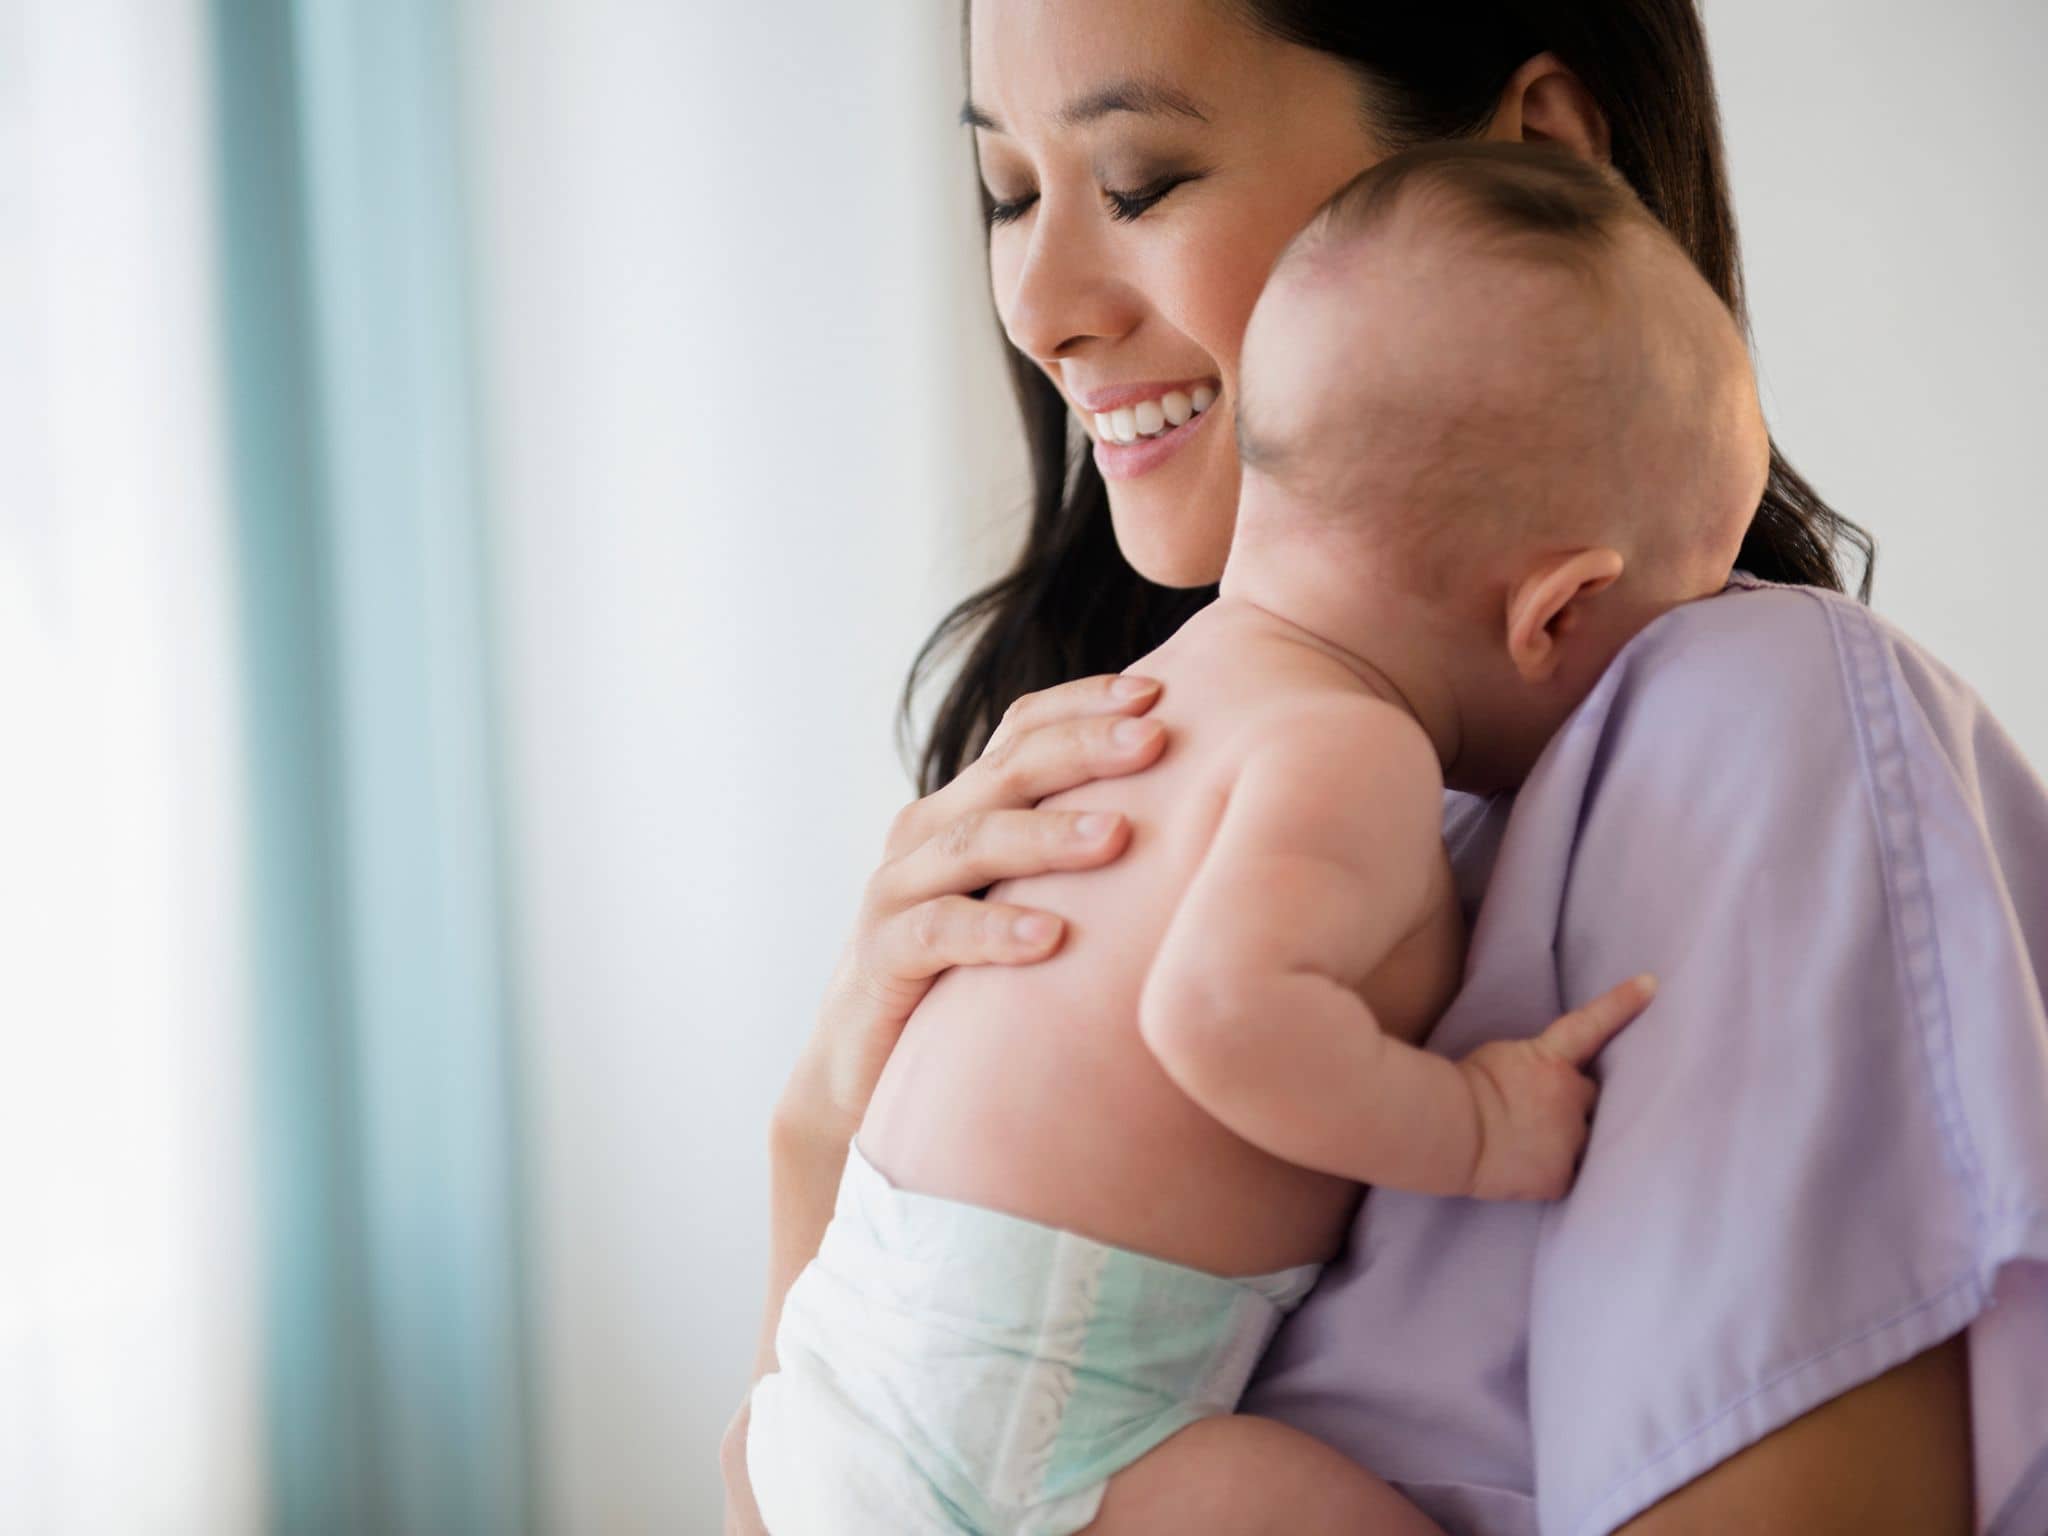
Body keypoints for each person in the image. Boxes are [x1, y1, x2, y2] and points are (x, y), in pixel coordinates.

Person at [726, 4, 2048, 1531]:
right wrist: (821, 1125)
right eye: (1010, 195)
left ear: (1536, 151)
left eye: (1142, 179)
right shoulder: (1142, 752)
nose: (1039, 304)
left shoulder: (1755, 726)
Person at [747, 141, 1758, 1535]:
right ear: (1556, 615)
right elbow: (1219, 1016)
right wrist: (1475, 1127)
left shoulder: (1156, 692)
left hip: (838, 1382)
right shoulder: (1345, 744)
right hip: (1046, 1413)